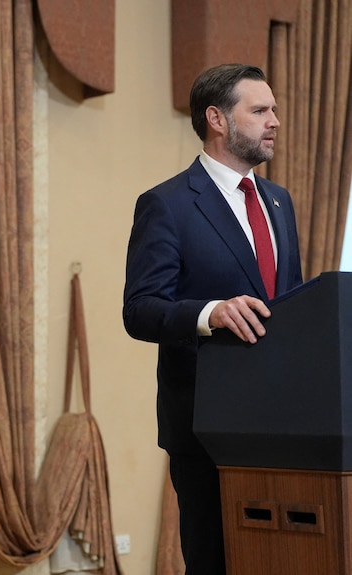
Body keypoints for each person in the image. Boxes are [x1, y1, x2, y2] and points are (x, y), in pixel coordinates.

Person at [123, 63, 303, 574]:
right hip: (207, 426)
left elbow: (290, 302)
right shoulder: (168, 204)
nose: (275, 120)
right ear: (217, 119)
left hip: (286, 424)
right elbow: (139, 309)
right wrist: (210, 313)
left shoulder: (278, 201)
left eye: (274, 109)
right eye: (260, 110)